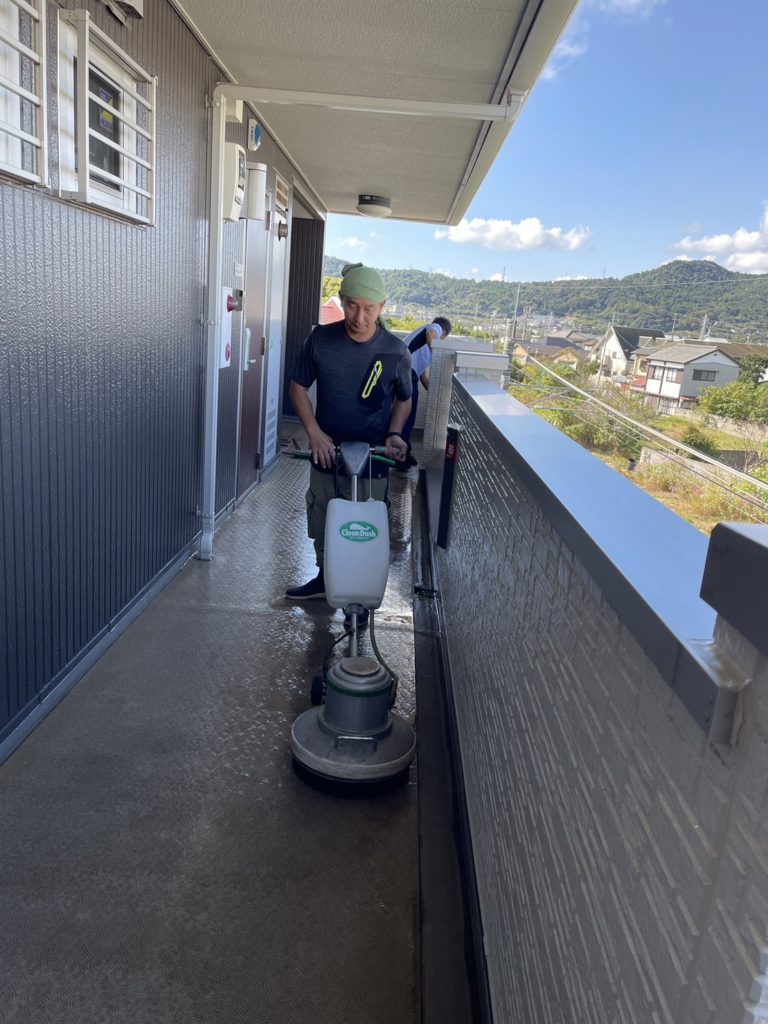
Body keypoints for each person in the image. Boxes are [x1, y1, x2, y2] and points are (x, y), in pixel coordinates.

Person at [285, 263, 412, 602]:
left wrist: (394, 434)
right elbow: (298, 386)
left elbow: (404, 398)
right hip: (327, 452)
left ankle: (362, 590)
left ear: (382, 307)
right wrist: (314, 432)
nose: (359, 317)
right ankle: (325, 579)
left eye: (369, 308)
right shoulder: (321, 340)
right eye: (352, 306)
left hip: (374, 458)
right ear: (342, 300)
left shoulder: (395, 350)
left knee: (367, 528)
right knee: (324, 517)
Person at [397, 317, 451, 469]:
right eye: (444, 339)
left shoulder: (422, 348)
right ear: (445, 332)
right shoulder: (435, 327)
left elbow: (422, 377)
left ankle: (403, 452)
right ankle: (400, 459)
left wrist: (435, 394)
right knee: (408, 417)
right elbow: (431, 335)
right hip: (405, 372)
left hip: (407, 372)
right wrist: (437, 354)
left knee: (404, 417)